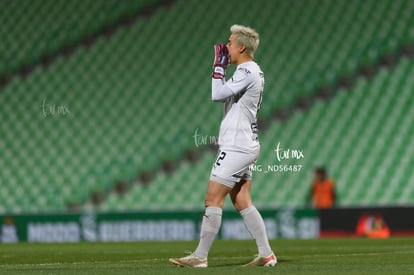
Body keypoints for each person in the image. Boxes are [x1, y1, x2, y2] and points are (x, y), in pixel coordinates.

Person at [169, 24, 276, 268]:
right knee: (242, 200)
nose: (226, 47)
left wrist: (217, 66)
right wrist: (224, 69)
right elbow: (227, 94)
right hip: (245, 143)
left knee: (212, 199)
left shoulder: (247, 70)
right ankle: (267, 254)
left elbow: (217, 94)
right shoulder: (250, 71)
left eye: (229, 43)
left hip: (237, 146)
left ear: (241, 46)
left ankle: (200, 256)